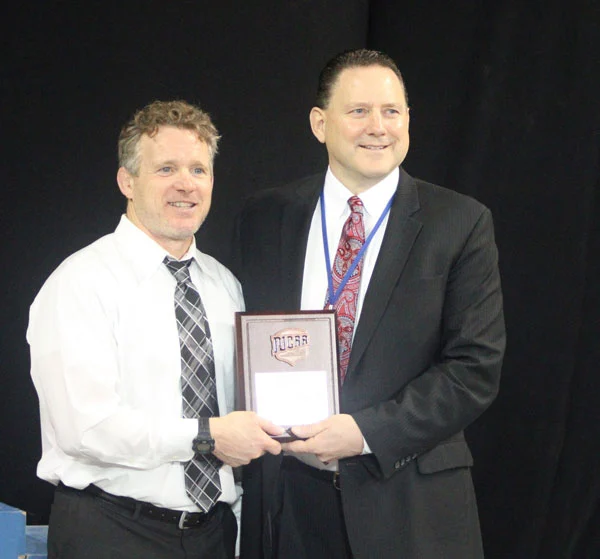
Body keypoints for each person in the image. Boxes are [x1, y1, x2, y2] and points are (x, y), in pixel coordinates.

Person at [235, 49, 506, 558]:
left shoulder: (461, 222)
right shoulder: (264, 217)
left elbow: (475, 368)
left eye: (392, 111)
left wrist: (363, 432)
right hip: (289, 503)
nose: (377, 127)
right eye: (358, 111)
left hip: (409, 505)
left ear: (408, 121)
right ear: (320, 123)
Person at [27, 100, 284, 559]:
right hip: (113, 533)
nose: (186, 184)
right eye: (166, 168)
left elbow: (243, 410)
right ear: (128, 181)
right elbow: (85, 429)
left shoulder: (225, 285)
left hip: (215, 534)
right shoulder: (81, 282)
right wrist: (207, 436)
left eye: (198, 170)